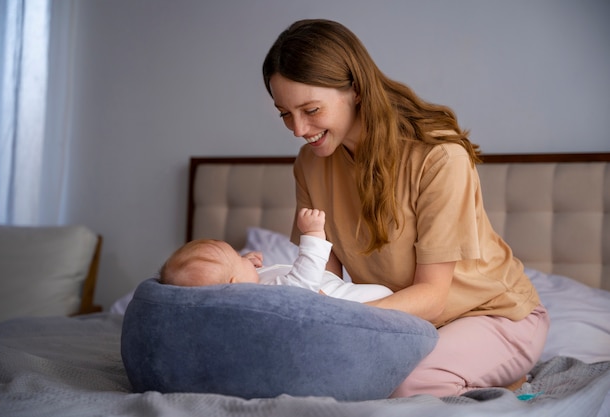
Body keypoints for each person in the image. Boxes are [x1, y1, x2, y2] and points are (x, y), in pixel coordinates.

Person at [262, 19, 550, 397]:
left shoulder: (438, 156)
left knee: (407, 386)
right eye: (285, 113)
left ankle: (502, 379)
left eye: (311, 110)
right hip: (406, 325)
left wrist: (342, 322)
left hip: (493, 314)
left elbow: (432, 296)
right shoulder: (310, 164)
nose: (298, 129)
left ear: (357, 91)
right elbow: (323, 283)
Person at [160, 207, 393, 303]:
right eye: (237, 256)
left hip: (334, 286)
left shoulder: (248, 285)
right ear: (235, 285)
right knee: (386, 295)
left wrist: (247, 266)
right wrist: (313, 234)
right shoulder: (269, 298)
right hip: (344, 299)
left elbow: (250, 278)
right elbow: (303, 282)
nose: (244, 257)